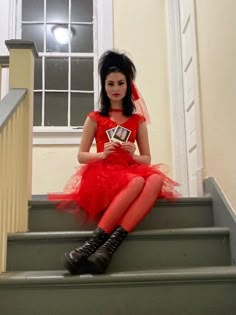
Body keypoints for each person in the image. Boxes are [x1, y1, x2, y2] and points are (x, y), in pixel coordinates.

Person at [48, 50, 180, 275]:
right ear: (104, 85)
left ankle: (106, 249)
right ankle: (91, 247)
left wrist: (132, 156)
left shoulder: (137, 121)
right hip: (103, 172)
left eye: (120, 83)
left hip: (130, 169)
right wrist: (102, 154)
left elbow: (147, 158)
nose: (116, 88)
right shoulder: (95, 118)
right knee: (138, 181)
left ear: (128, 85)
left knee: (156, 177)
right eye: (110, 84)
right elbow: (81, 155)